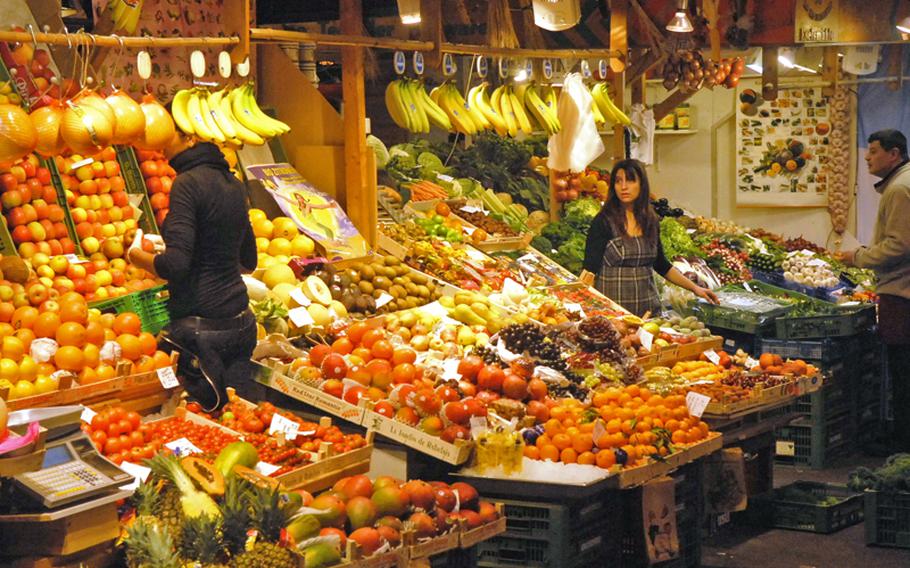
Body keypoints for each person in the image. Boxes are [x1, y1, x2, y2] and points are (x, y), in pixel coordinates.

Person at [127, 132, 259, 411]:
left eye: (168, 131)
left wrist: (137, 256)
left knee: (203, 423)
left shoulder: (187, 183)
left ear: (190, 137)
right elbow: (248, 261)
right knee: (239, 417)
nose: (159, 141)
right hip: (242, 325)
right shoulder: (234, 184)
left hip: (201, 334)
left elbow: (175, 266)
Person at [842, 129, 910, 451]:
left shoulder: (899, 188)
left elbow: (899, 245)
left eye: (873, 151)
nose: (867, 157)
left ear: (894, 154)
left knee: (903, 368)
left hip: (902, 292)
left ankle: (902, 443)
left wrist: (859, 257)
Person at [580, 159, 718, 316]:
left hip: (648, 312)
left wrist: (695, 288)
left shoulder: (650, 221)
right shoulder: (604, 221)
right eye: (618, 181)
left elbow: (662, 265)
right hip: (613, 314)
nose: (623, 187)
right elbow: (589, 270)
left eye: (630, 180)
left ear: (642, 184)